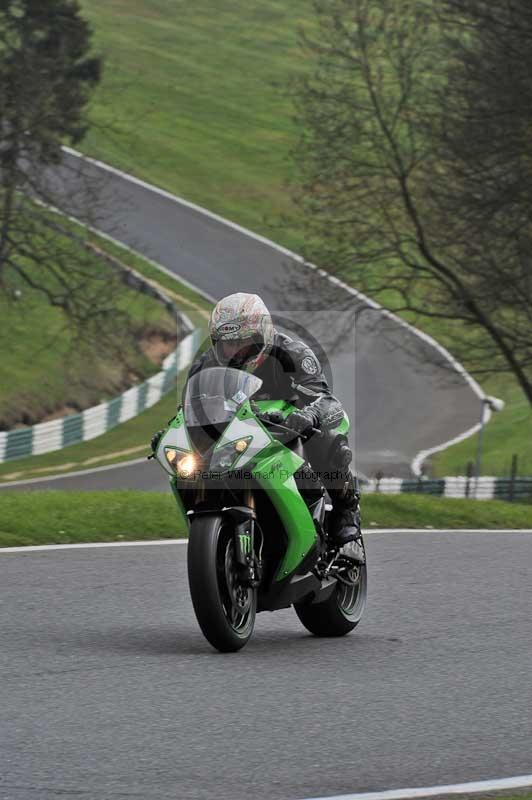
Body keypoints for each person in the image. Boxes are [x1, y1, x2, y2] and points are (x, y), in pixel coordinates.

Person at [154, 292, 361, 546]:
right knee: (193, 467)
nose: (234, 350)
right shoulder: (205, 364)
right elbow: (189, 410)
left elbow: (326, 400)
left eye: (243, 342)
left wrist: (307, 416)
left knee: (328, 436)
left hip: (287, 431)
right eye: (226, 343)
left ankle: (345, 510)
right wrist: (172, 434)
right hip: (238, 437)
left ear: (263, 334)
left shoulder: (293, 353)